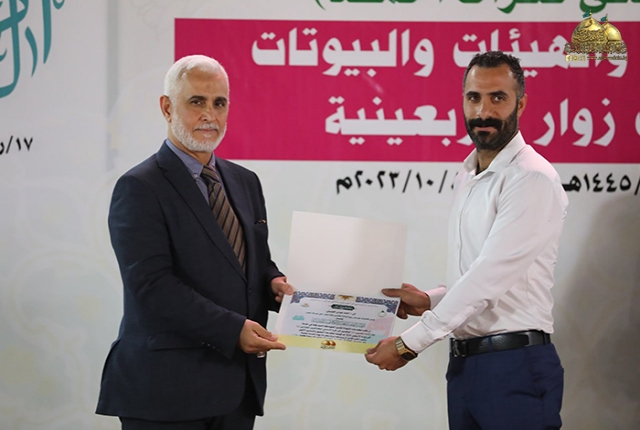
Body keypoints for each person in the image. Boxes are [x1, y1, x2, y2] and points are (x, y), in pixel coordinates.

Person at [365, 51, 568, 430]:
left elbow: (488, 279)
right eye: (474, 98)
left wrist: (409, 344)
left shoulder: (531, 179)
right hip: (464, 366)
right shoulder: (468, 174)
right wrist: (430, 300)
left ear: (521, 103)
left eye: (498, 98)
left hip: (515, 368)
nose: (483, 111)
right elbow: (477, 276)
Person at [96, 54, 293, 430]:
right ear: (167, 107)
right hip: (164, 393)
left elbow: (253, 265)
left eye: (219, 103)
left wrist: (274, 284)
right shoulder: (139, 187)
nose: (209, 115)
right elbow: (152, 286)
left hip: (236, 392)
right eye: (197, 101)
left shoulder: (245, 181)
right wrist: (232, 329)